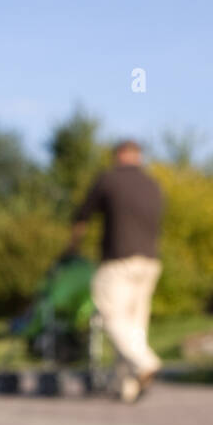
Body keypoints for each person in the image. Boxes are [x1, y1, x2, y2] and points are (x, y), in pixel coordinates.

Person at [67, 140, 164, 401]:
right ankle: (128, 387)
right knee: (135, 326)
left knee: (110, 316)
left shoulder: (109, 179)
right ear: (138, 156)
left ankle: (145, 362)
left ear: (119, 155)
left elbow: (82, 217)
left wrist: (72, 248)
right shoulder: (152, 184)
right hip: (150, 262)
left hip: (119, 260)